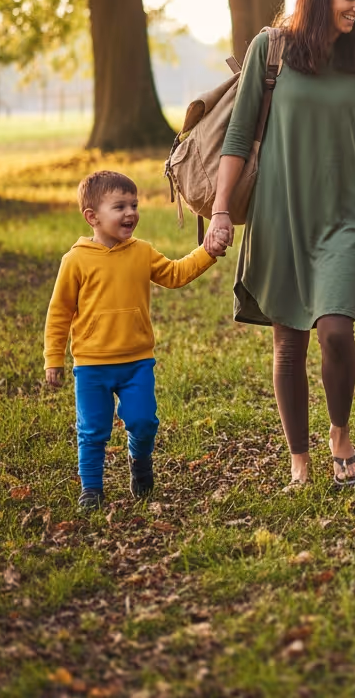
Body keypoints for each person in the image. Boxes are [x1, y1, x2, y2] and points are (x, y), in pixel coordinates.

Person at [204, 0, 355, 488]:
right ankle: (300, 459)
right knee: (289, 343)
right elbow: (239, 135)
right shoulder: (269, 50)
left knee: (336, 330)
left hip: (343, 218)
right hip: (279, 215)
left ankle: (339, 433)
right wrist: (221, 210)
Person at [44, 170, 222, 509]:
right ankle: (92, 490)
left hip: (136, 362)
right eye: (120, 206)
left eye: (134, 205)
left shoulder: (142, 252)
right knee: (92, 430)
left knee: (143, 420)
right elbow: (59, 312)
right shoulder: (76, 261)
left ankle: (139, 462)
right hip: (92, 365)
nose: (131, 213)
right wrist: (54, 358)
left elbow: (174, 274)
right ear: (92, 217)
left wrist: (207, 251)